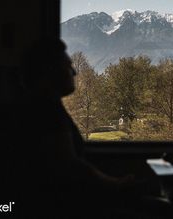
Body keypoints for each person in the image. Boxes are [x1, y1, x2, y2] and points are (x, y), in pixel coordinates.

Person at [11, 38, 160, 217]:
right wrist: (116, 184)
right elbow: (70, 165)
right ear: (50, 71)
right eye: (67, 66)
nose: (74, 72)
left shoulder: (40, 105)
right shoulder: (46, 111)